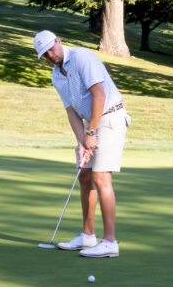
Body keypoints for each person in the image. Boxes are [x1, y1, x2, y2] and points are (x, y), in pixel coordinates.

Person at [33, 30, 130, 258]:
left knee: (100, 177)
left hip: (109, 117)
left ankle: (110, 242)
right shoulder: (56, 76)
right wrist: (82, 141)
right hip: (89, 124)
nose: (49, 54)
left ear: (58, 41)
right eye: (44, 53)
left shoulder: (82, 57)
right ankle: (88, 236)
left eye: (50, 48)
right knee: (84, 175)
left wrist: (92, 132)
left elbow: (99, 95)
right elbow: (71, 111)